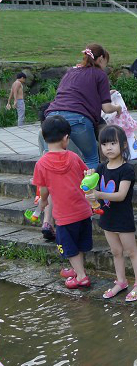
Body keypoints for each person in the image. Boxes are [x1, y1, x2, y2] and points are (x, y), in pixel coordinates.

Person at [84, 125, 137, 302]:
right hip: (107, 217)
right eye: (104, 144)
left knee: (131, 251)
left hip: (123, 218)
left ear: (124, 145)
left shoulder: (127, 170)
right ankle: (121, 281)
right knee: (116, 251)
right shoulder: (101, 168)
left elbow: (120, 195)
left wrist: (99, 194)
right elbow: (90, 187)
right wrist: (88, 180)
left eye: (113, 143)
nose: (108, 147)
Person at [32, 115, 93, 289]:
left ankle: (81, 276)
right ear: (66, 138)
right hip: (83, 211)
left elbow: (43, 190)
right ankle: (78, 269)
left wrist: (43, 202)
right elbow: (86, 176)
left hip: (64, 216)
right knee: (80, 243)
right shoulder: (74, 157)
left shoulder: (41, 164)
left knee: (68, 246)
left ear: (44, 138)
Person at [45, 44, 121, 169]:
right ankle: (91, 188)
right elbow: (106, 108)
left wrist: (106, 94)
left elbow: (75, 93)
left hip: (52, 116)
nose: (105, 66)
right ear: (101, 58)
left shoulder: (71, 71)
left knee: (55, 159)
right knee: (91, 158)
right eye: (105, 63)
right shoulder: (99, 74)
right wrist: (117, 108)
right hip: (77, 119)